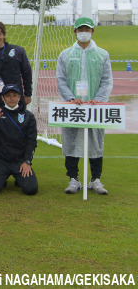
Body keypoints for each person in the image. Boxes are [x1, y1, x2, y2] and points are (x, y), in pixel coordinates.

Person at [56, 17, 113, 195]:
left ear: (92, 31)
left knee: (95, 142)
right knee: (71, 141)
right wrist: (71, 98)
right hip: (73, 107)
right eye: (80, 29)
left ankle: (95, 179)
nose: (84, 32)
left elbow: (106, 80)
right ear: (74, 31)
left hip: (94, 107)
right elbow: (61, 79)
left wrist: (99, 99)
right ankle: (73, 179)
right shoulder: (65, 54)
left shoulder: (102, 54)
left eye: (87, 29)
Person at [0, 84, 38, 195]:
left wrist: (27, 161)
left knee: (31, 189)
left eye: (14, 95)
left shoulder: (28, 116)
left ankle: (19, 178)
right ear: (3, 98)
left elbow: (31, 141)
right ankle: (0, 176)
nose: (11, 98)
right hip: (1, 161)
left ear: (19, 97)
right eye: (8, 96)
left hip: (19, 161)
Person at [0, 20, 32, 111]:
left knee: (17, 124)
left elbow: (27, 73)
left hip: (15, 97)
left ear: (4, 35)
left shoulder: (17, 51)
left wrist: (28, 94)